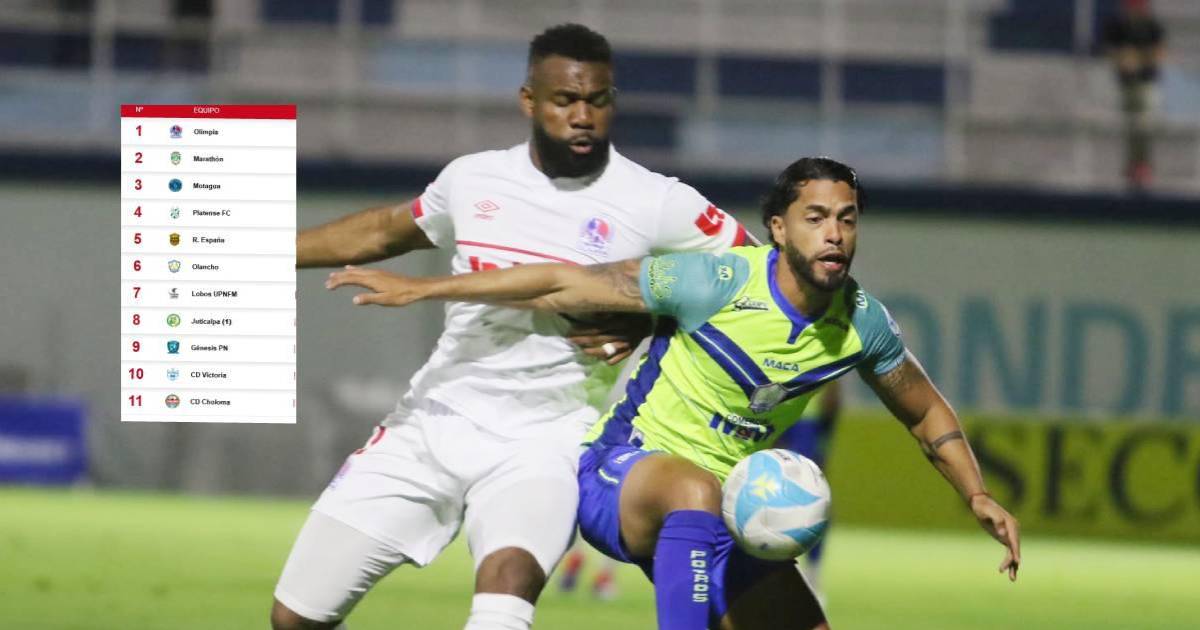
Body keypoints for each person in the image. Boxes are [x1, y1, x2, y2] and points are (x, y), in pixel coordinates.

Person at [326, 156, 1022, 630]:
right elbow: (564, 281)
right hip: (621, 476)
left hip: (723, 507)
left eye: (846, 218)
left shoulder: (861, 323)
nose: (834, 234)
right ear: (779, 229)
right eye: (815, 217)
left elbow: (924, 409)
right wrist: (426, 287)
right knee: (693, 489)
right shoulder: (716, 281)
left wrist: (976, 494)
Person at [271, 24, 750, 630]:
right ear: (529, 100)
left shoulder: (658, 201)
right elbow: (383, 231)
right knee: (294, 617)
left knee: (507, 586)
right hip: (432, 421)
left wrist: (650, 317)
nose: (583, 117)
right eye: (565, 100)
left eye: (597, 101)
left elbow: (753, 282)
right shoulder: (473, 178)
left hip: (547, 442)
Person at [773, 380, 840, 596]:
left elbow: (833, 392)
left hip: (804, 421)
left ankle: (812, 571)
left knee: (811, 495)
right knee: (783, 494)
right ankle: (784, 568)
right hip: (785, 418)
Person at [1103, 0, 1166, 190]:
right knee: (1131, 126)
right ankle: (1133, 166)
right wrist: (1124, 58)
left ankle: (1143, 166)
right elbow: (1111, 51)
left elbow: (1159, 53)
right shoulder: (1118, 26)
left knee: (1144, 123)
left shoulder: (1152, 26)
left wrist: (1139, 59)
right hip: (1126, 84)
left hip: (1147, 83)